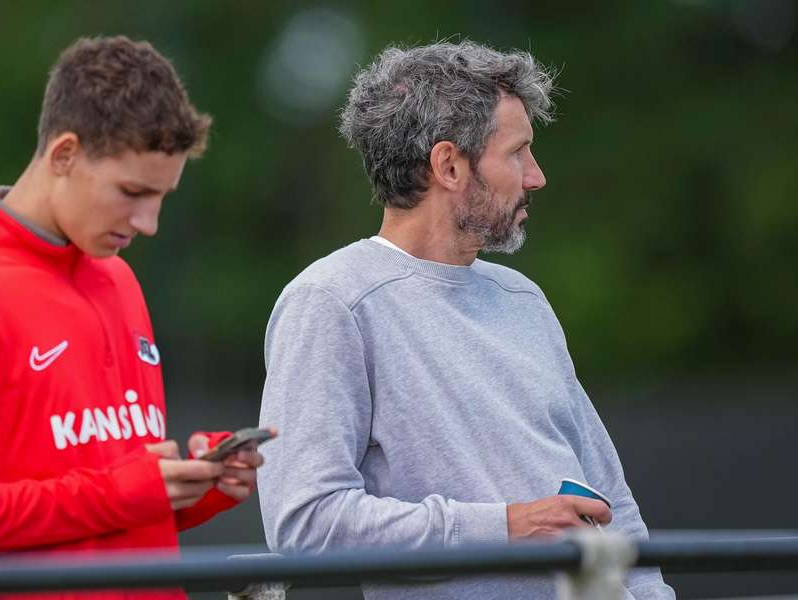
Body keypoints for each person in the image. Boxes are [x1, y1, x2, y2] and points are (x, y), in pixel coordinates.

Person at [257, 41, 675, 599]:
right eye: (518, 153)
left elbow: (612, 503)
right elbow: (306, 527)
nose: (536, 177)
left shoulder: (522, 298)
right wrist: (505, 528)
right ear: (449, 166)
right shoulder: (331, 301)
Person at [0, 36, 263, 599]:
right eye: (132, 192)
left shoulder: (118, 278)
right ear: (64, 154)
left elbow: (105, 511)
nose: (148, 223)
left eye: (162, 196)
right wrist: (118, 492)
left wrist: (193, 487)